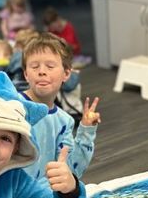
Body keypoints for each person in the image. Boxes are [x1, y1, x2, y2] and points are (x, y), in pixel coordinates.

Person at [21, 33, 99, 180]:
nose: (42, 71)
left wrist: (86, 131)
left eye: (50, 66)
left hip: (43, 197)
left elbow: (72, 168)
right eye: (34, 66)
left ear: (67, 73)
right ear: (26, 74)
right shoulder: (14, 107)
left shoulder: (64, 121)